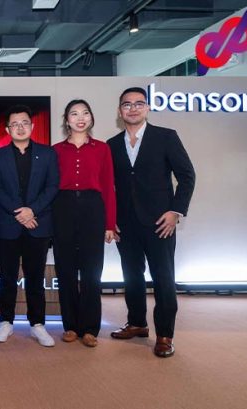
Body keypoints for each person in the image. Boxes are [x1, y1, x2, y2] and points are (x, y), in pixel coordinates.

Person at [107, 87, 195, 358]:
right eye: (127, 104)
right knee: (131, 276)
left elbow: (187, 176)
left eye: (138, 103)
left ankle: (165, 335)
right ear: (120, 111)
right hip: (125, 223)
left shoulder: (166, 137)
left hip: (160, 222)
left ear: (147, 108)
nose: (132, 108)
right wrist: (110, 219)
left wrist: (175, 211)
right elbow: (108, 186)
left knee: (163, 278)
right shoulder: (111, 144)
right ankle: (137, 323)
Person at [0, 105, 59, 348]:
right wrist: (20, 212)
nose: (20, 127)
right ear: (7, 129)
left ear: (32, 126)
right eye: (15, 124)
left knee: (35, 277)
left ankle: (37, 324)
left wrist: (32, 210)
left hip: (37, 224)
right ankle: (5, 321)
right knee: (7, 276)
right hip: (8, 225)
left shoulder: (48, 154)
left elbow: (52, 186)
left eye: (24, 123)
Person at [52, 99, 116, 347]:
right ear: (66, 120)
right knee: (65, 270)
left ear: (91, 118)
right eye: (74, 114)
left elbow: (108, 187)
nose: (80, 118)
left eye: (85, 113)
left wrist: (109, 223)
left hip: (92, 208)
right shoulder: (55, 150)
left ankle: (90, 328)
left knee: (92, 271)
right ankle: (70, 325)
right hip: (63, 208)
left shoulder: (102, 149)